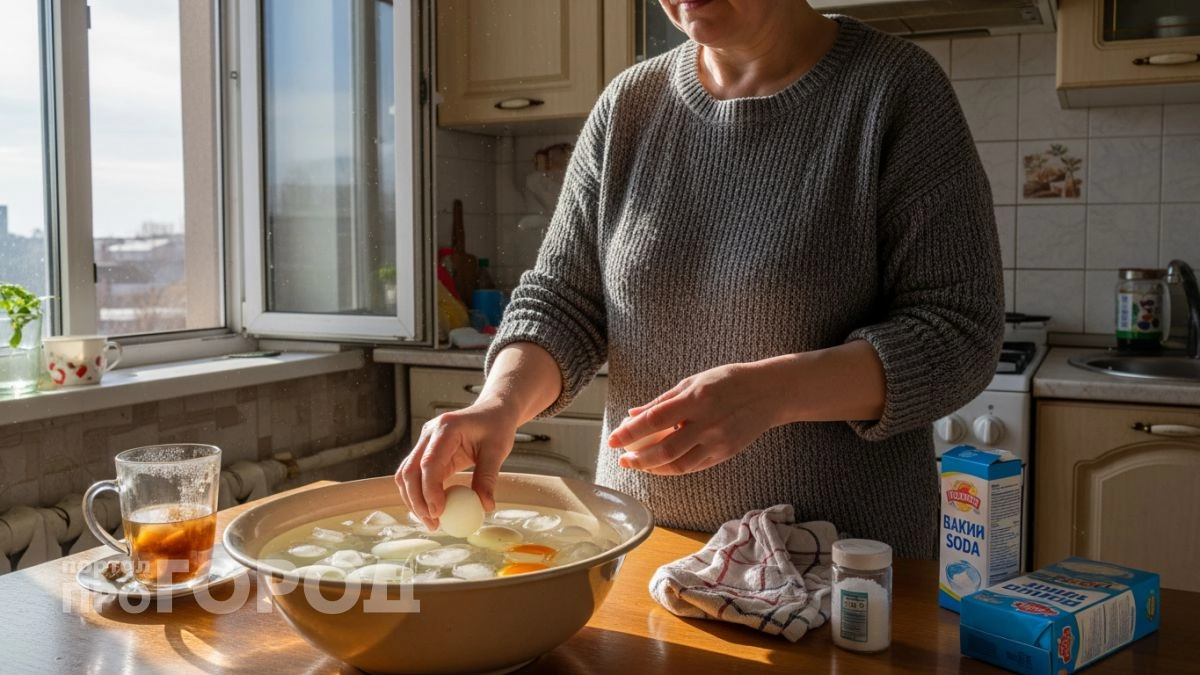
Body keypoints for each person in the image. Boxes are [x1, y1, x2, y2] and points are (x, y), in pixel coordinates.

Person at [396, 0, 1004, 560]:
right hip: (647, 548)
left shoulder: (895, 90)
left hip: (840, 567)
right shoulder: (628, 105)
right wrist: (497, 406)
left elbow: (958, 334)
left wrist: (774, 392)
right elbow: (563, 303)